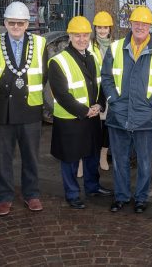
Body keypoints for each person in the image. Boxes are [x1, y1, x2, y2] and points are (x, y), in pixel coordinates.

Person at [101, 6, 152, 214]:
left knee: (144, 162)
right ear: (130, 24)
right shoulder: (115, 48)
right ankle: (121, 196)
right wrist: (113, 99)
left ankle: (141, 198)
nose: (140, 26)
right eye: (136, 23)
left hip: (146, 116)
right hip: (118, 114)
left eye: (144, 24)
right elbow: (106, 77)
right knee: (120, 161)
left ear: (150, 27)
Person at [0, 1, 48, 216]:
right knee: (3, 157)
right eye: (12, 23)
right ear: (5, 23)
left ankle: (32, 194)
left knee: (31, 156)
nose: (16, 27)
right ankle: (4, 196)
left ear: (27, 23)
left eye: (20, 23)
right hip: (3, 110)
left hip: (30, 109)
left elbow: (44, 75)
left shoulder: (40, 44)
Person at [49, 16, 112, 210]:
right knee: (70, 159)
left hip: (91, 116)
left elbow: (101, 85)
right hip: (71, 119)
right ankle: (72, 194)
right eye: (77, 35)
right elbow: (62, 95)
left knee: (91, 154)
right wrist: (86, 111)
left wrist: (100, 105)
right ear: (69, 36)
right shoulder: (58, 61)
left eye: (85, 35)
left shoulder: (92, 57)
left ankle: (92, 187)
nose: (82, 39)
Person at [92, 11, 114, 171]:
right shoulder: (89, 45)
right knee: (91, 126)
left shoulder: (115, 45)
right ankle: (83, 160)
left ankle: (103, 156)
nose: (102, 30)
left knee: (107, 126)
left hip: (110, 91)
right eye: (99, 27)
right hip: (94, 91)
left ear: (109, 29)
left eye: (105, 27)